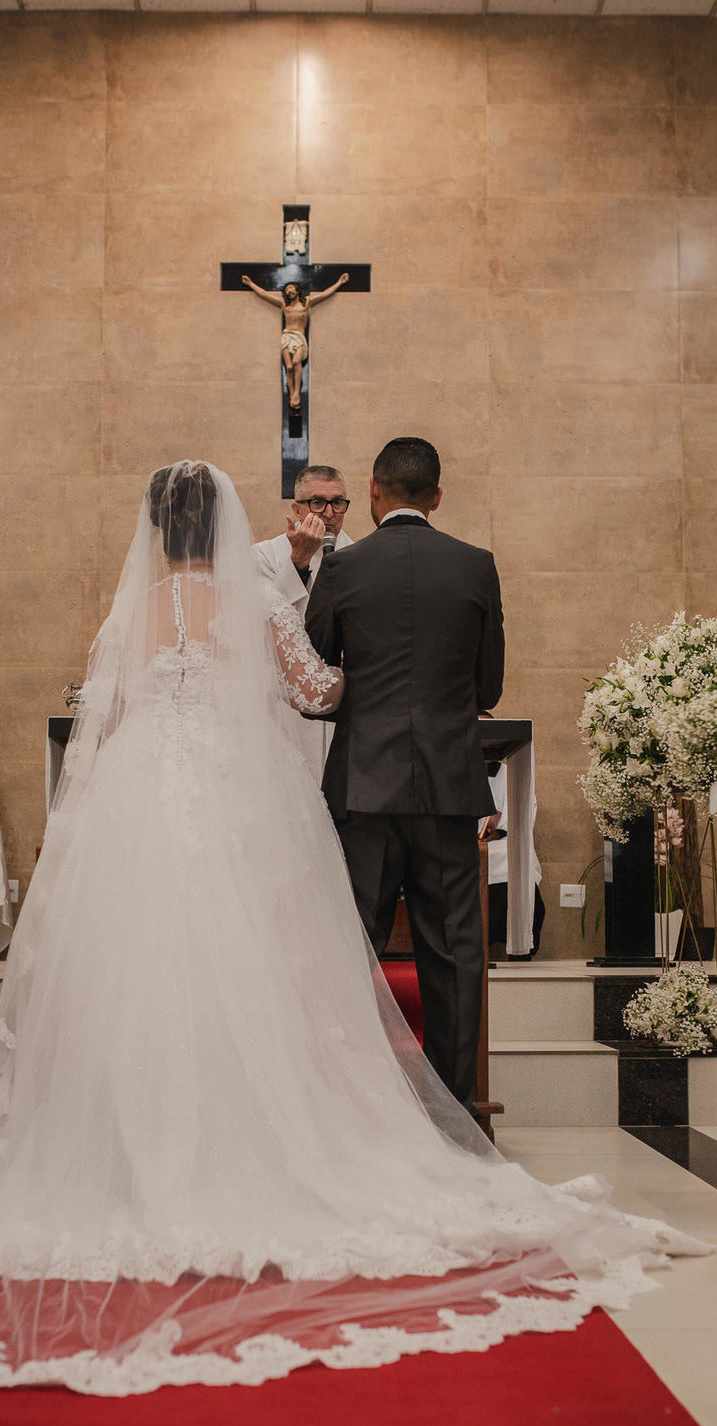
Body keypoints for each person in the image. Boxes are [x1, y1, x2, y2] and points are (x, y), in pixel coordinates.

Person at [0, 461, 708, 1396]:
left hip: (134, 811)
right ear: (223, 523)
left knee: (134, 972)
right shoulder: (257, 607)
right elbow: (321, 692)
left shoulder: (129, 614)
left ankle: (127, 1144)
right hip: (238, 805)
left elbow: (102, 718)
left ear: (157, 531)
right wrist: (362, 670)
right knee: (250, 966)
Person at [305, 438, 502, 1115]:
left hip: (363, 786)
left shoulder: (343, 567)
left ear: (375, 492)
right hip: (447, 784)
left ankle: (350, 1104)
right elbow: (491, 684)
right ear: (437, 496)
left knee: (350, 945)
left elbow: (319, 665)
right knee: (452, 950)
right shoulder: (477, 567)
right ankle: (455, 1108)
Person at [254, 464, 354, 776]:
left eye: (337, 502)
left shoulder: (360, 555)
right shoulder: (264, 555)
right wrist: (298, 560)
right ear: (297, 508)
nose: (329, 513)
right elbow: (261, 621)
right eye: (318, 502)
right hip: (285, 705)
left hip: (344, 701)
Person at [240, 273, 350, 411]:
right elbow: (264, 294)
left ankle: (297, 392)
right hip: (286, 336)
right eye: (287, 290)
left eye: (291, 288)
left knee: (297, 363)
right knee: (289, 368)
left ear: (297, 290)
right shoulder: (284, 304)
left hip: (299, 337)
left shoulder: (307, 302)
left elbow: (324, 294)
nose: (289, 291)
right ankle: (292, 394)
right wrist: (250, 283)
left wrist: (339, 282)